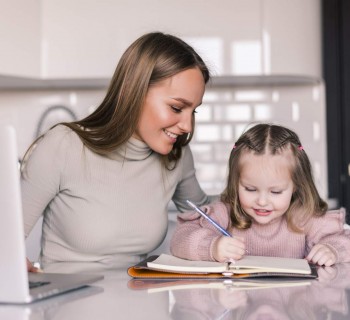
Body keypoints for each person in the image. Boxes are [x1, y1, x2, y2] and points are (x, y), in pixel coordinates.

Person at [22, 31, 213, 271]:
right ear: (135, 92)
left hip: (145, 304)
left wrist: (258, 190)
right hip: (71, 305)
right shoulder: (64, 145)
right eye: (177, 108)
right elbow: (6, 239)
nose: (187, 126)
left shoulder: (177, 156)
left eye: (193, 111)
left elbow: (208, 218)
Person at [170, 123, 350, 266]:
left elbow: (344, 241)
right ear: (236, 182)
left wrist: (332, 250)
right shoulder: (226, 212)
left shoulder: (303, 216)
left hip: (289, 307)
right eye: (250, 189)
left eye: (276, 191)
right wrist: (212, 246)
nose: (262, 201)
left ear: (295, 186)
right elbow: (180, 239)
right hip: (239, 305)